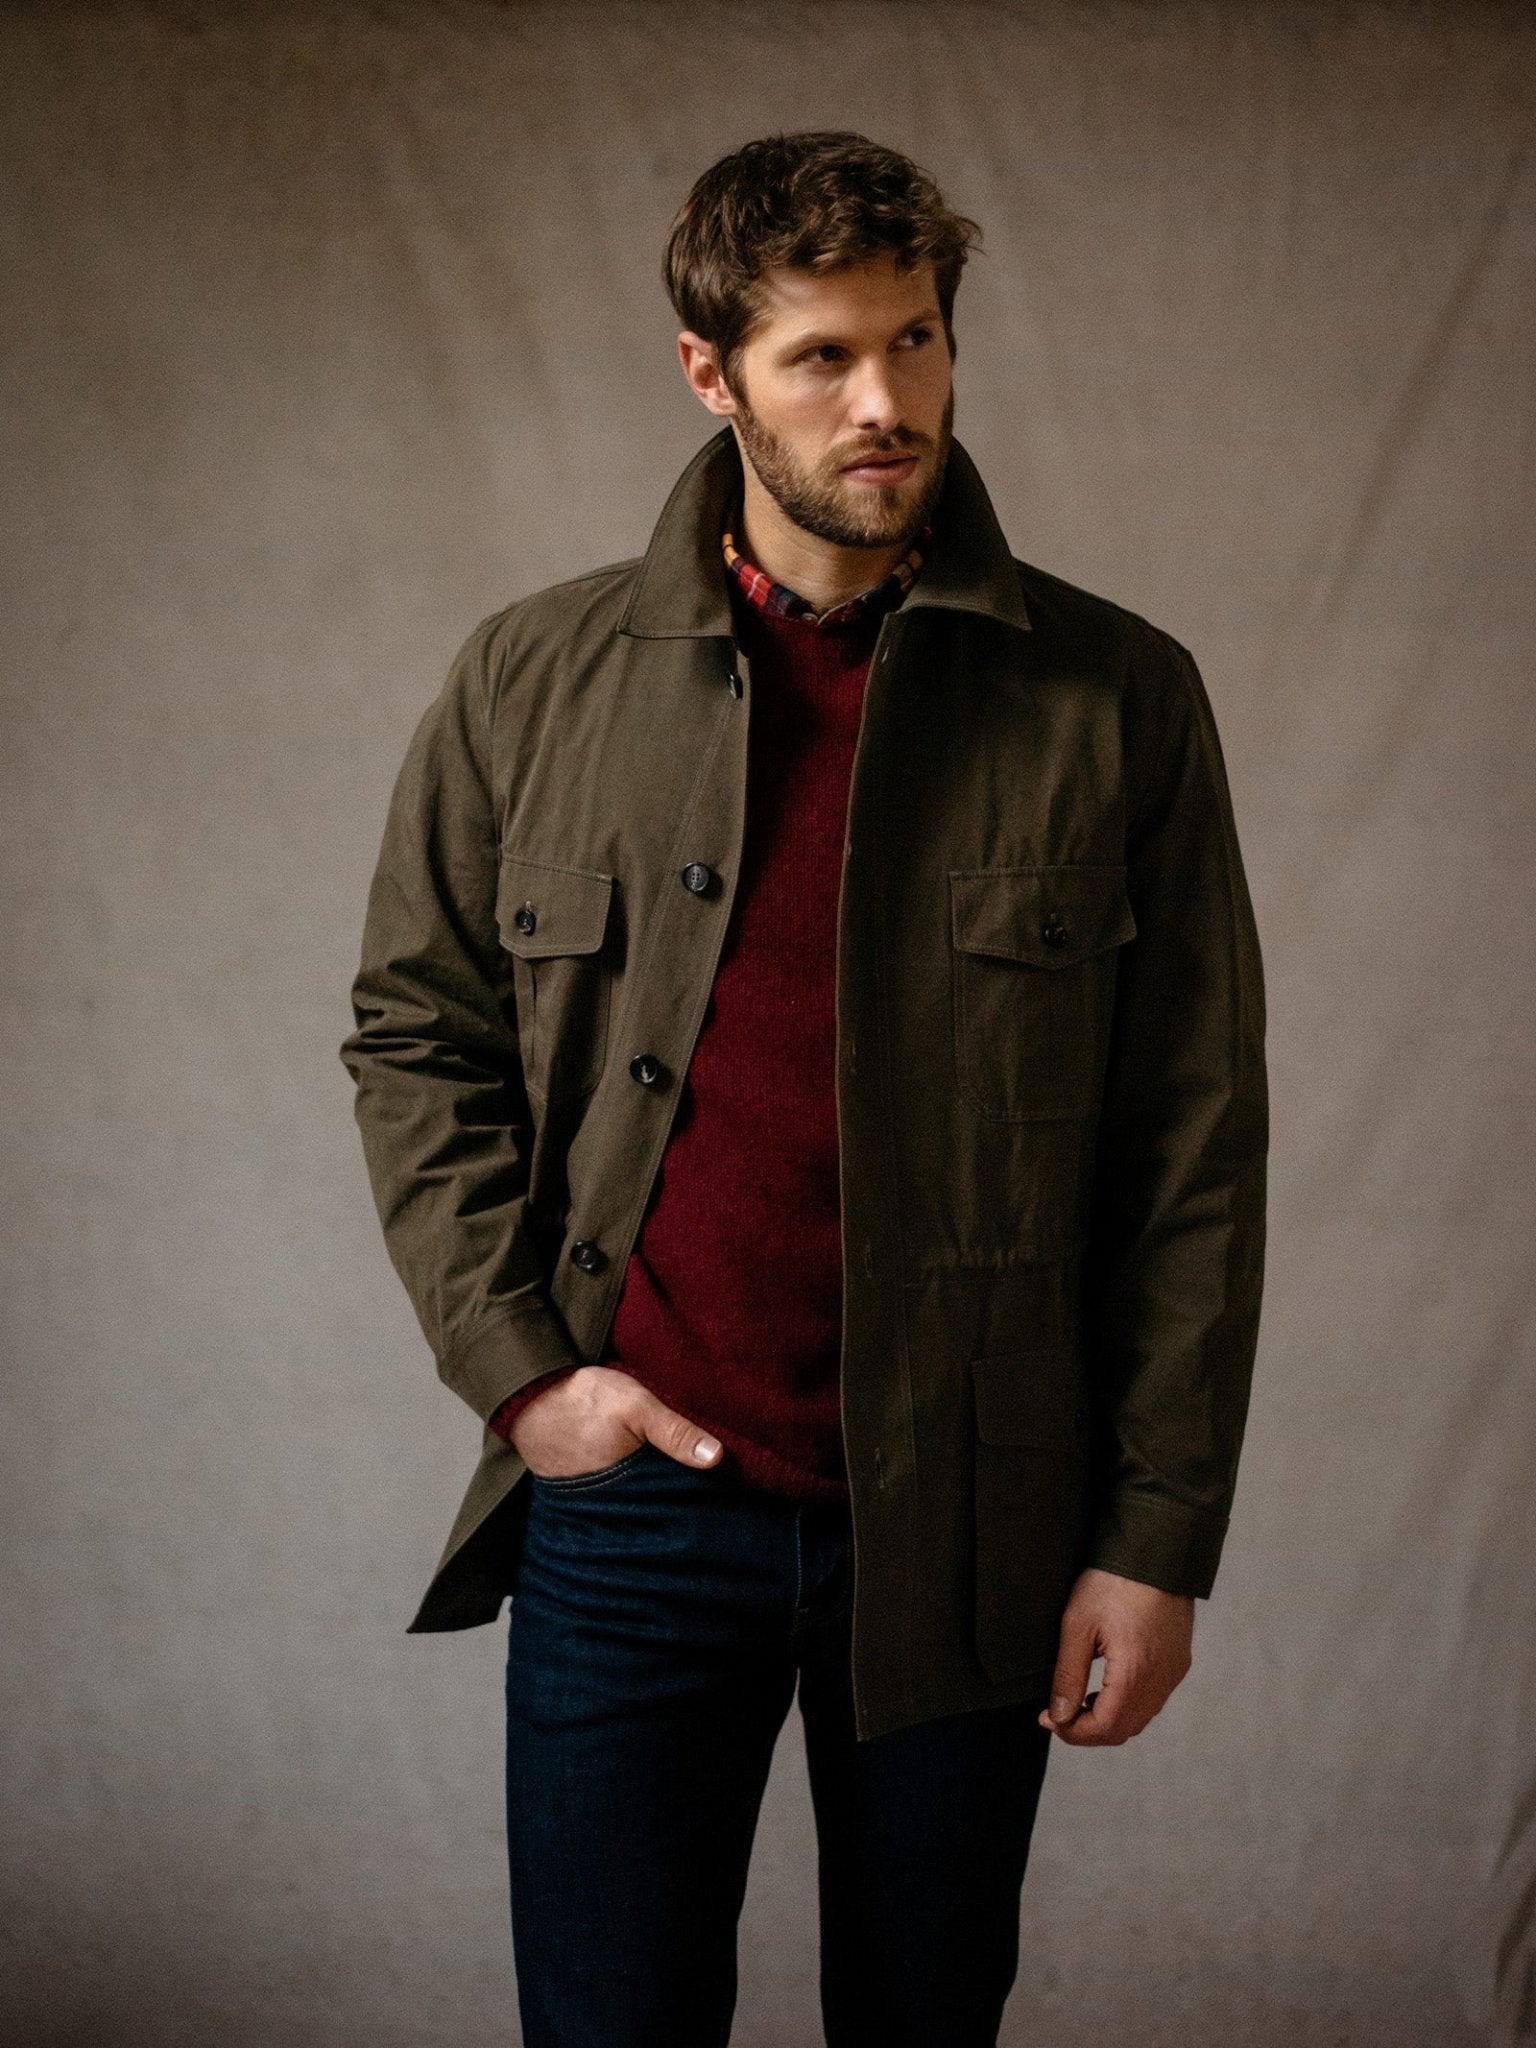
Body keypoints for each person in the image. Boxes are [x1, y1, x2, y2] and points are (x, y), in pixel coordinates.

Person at [340, 130, 1268, 2048]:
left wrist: (1153, 1535)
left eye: (915, 341)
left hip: (969, 1517)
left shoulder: (1117, 696)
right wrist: (525, 1376)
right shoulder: (530, 680)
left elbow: (1194, 1143)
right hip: (633, 1513)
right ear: (710, 372)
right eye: (822, 356)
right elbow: (417, 1037)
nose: (883, 403)